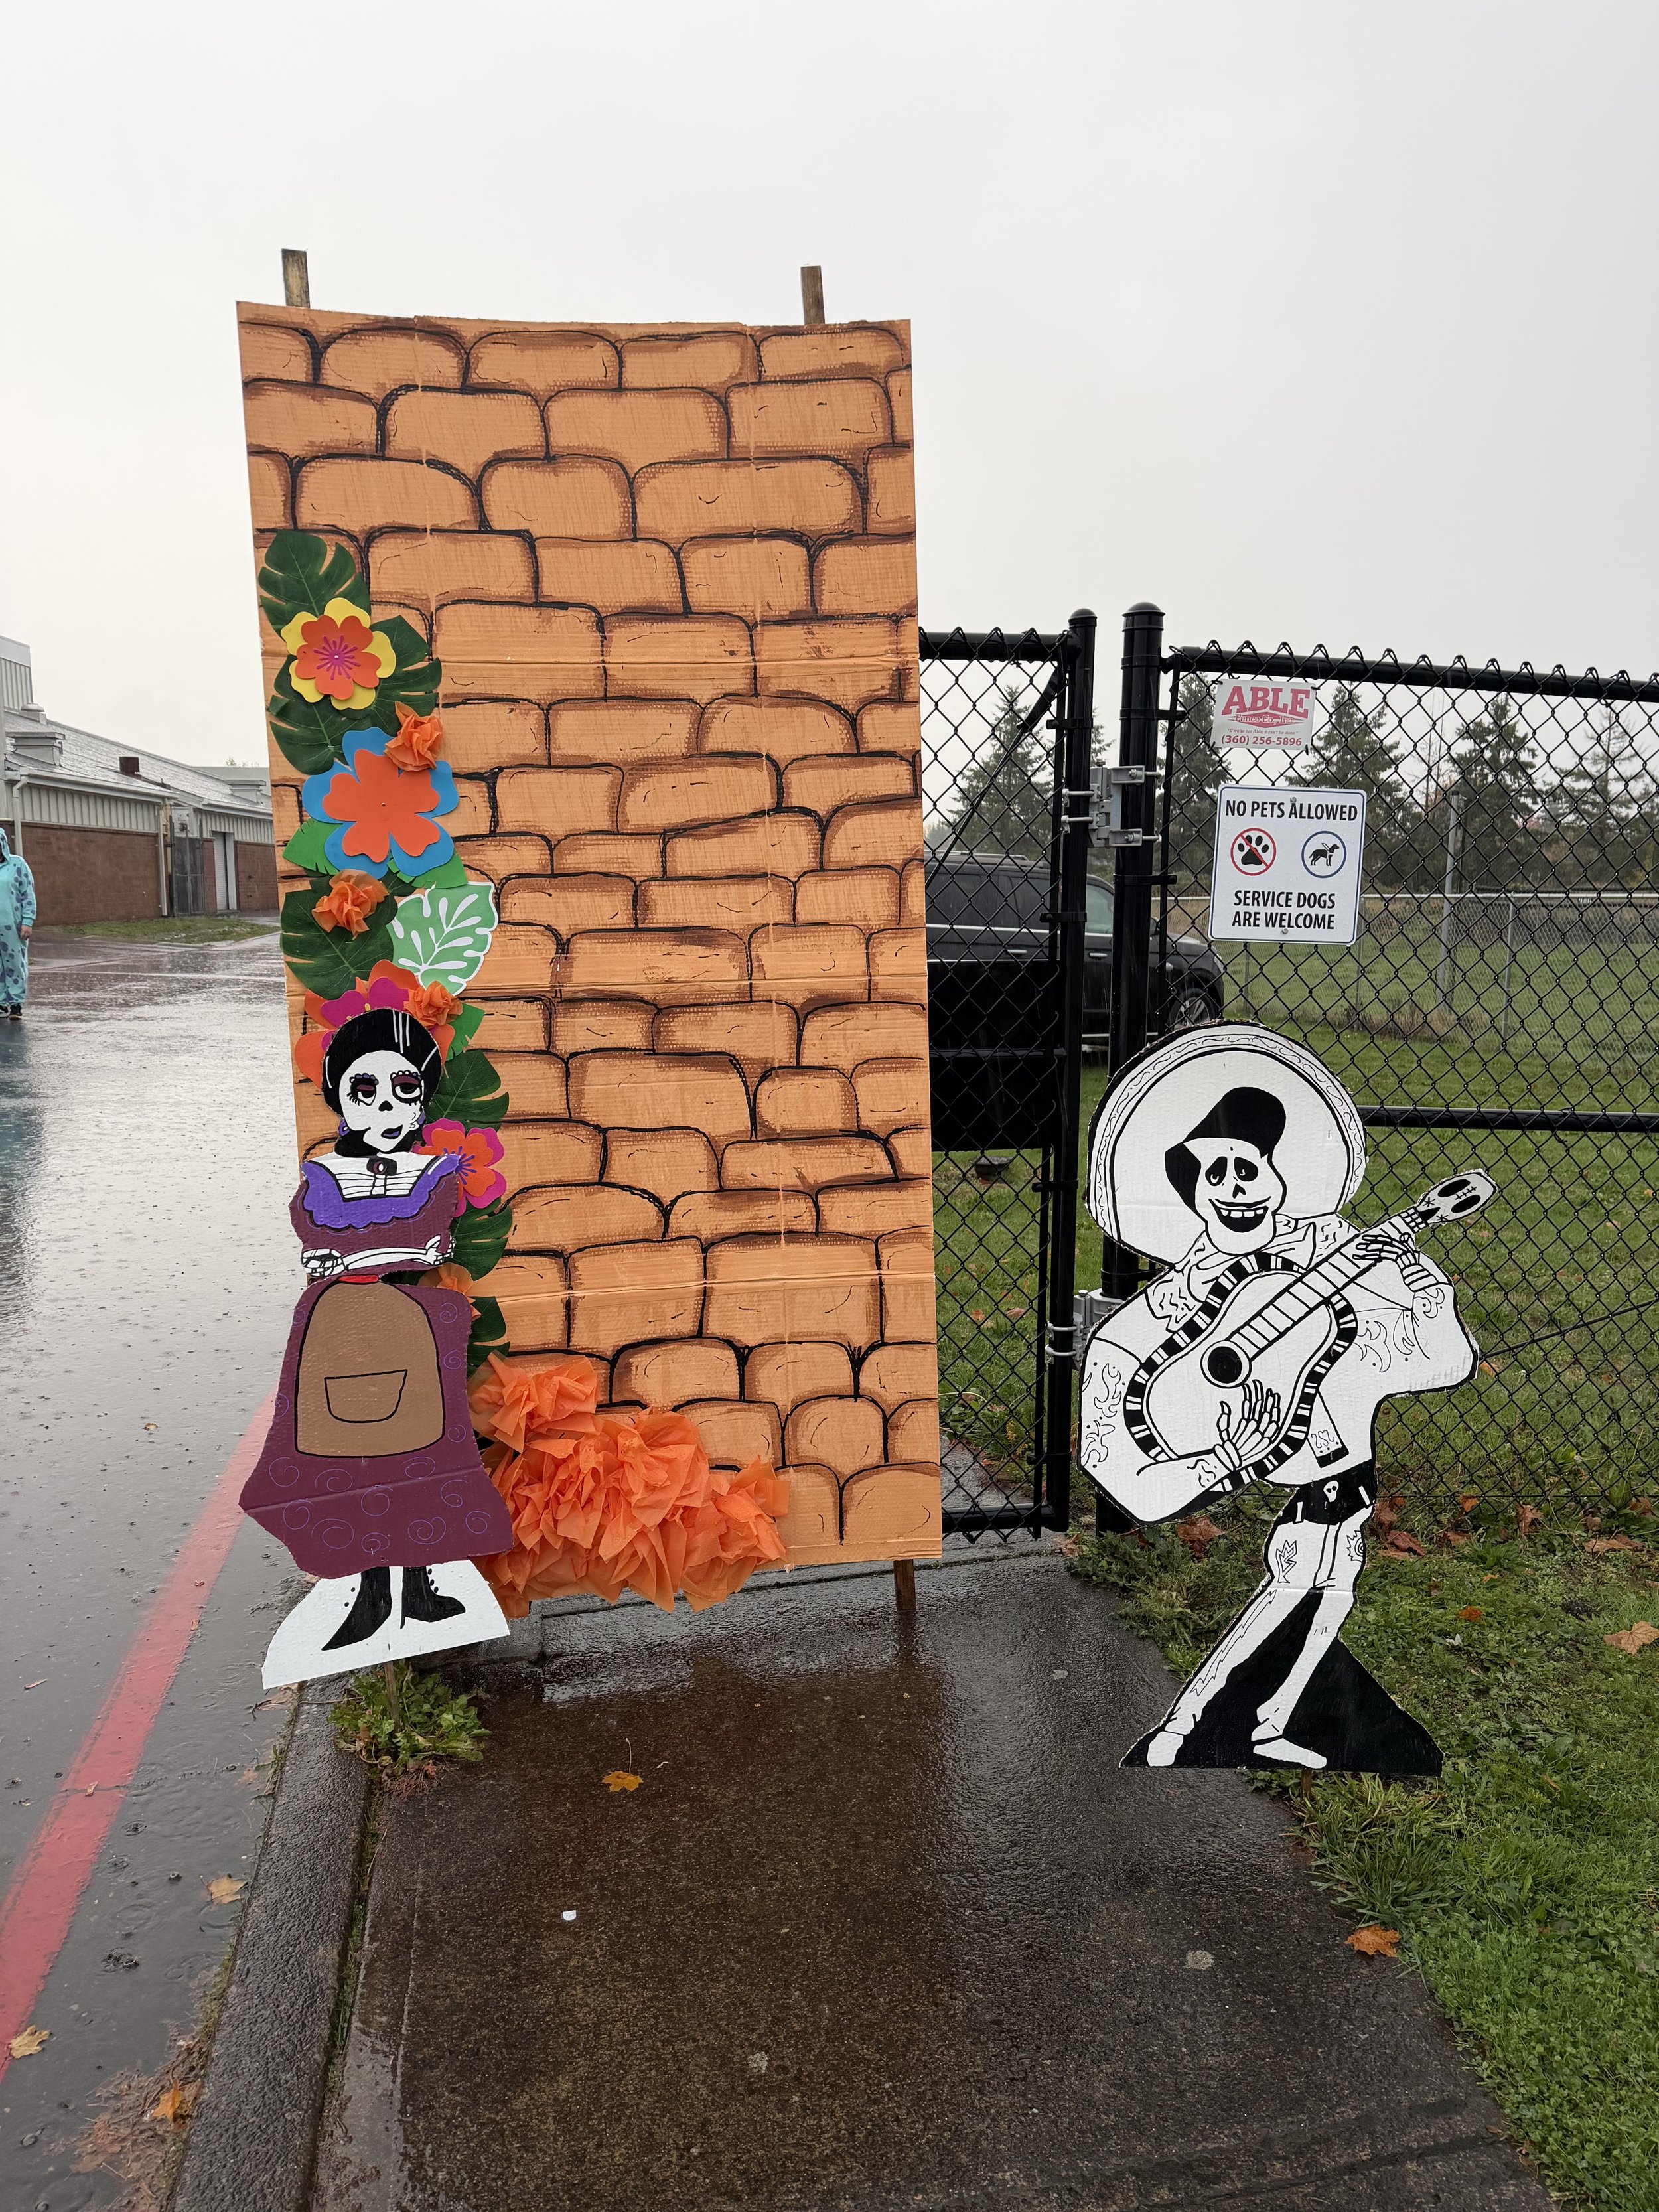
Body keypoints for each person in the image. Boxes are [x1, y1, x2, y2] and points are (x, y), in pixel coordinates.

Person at [1080, 1025, 1484, 1774]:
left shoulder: (1333, 1254)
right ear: (1188, 1193)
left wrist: (1428, 1298)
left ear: (1279, 1177)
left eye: (1251, 1167)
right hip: (1295, 1485)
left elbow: (1438, 1362)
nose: (1235, 1185)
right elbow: (1113, 1458)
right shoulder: (1161, 1313)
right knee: (1283, 1593)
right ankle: (1184, 1726)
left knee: (1333, 1594)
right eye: (1216, 1172)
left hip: (1349, 1473)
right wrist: (1218, 1462)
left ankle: (1268, 1722)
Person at [241, 1004, 514, 1686]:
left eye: (404, 1088)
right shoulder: (326, 1177)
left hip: (411, 1331)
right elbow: (327, 1244)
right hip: (344, 1333)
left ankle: (419, 1588)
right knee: (353, 1460)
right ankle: (368, 1596)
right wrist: (386, 1248)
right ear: (337, 1094)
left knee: (424, 1454)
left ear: (422, 1096)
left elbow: (419, 1240)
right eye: (365, 1089)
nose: (386, 1104)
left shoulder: (435, 1173)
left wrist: (367, 1250)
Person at [0, 826, 36, 1019]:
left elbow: (28, 894)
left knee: (14, 963)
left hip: (13, 926)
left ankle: (15, 1003)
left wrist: (27, 921)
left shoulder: (17, 865)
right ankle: (0, 1003)